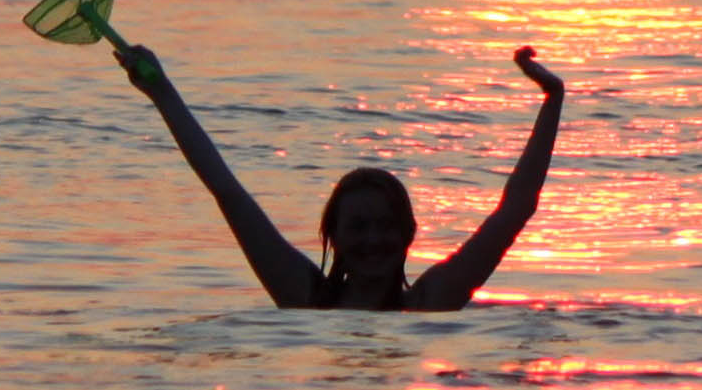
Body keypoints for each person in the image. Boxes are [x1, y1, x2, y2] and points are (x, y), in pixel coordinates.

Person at [112, 42, 566, 310]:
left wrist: (553, 98)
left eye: (386, 226)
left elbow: (516, 209)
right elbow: (226, 190)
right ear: (332, 235)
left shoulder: (430, 304)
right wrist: (162, 92)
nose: (373, 239)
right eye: (359, 227)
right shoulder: (304, 298)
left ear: (409, 233)